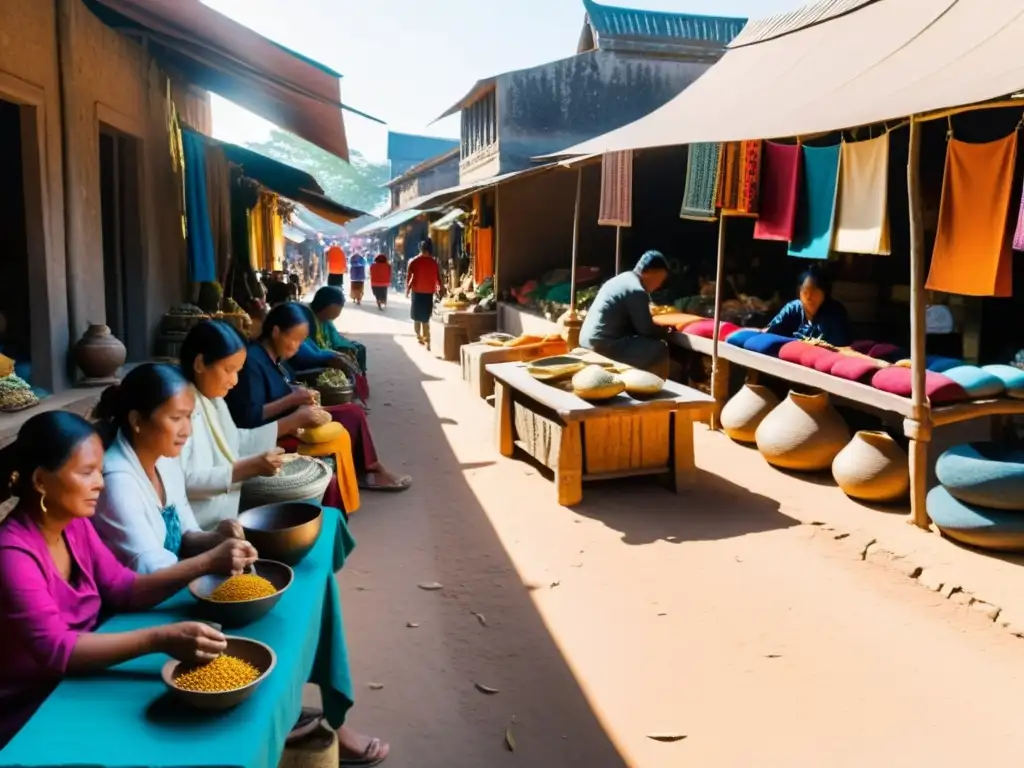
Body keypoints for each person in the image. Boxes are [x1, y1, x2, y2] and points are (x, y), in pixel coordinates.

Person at [0, 411, 249, 748]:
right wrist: (159, 638)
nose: (100, 483)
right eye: (87, 473)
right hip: (33, 705)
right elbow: (57, 650)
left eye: (99, 472)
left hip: (81, 678)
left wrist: (207, 562)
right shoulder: (12, 555)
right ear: (42, 481)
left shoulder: (73, 524)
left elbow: (125, 588)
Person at [90, 364, 260, 575]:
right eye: (176, 418)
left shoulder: (164, 460)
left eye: (189, 417)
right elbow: (149, 568)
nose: (187, 431)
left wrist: (218, 539)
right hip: (138, 600)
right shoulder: (116, 482)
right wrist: (212, 560)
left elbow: (186, 533)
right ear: (136, 421)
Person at [225, 303, 412, 492]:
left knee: (352, 412)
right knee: (351, 416)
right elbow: (249, 416)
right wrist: (293, 400)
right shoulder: (253, 362)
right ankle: (369, 472)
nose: (297, 347)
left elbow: (275, 388)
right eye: (294, 340)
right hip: (276, 430)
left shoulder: (275, 358)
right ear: (275, 332)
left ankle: (369, 469)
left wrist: (298, 393)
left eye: (301, 341)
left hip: (294, 415)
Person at [178, 321, 327, 530]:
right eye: (228, 370)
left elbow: (235, 439)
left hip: (224, 515)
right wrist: (243, 470)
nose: (235, 381)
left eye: (238, 371)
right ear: (200, 364)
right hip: (196, 527)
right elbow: (182, 480)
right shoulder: (179, 410)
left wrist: (287, 425)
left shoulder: (213, 399)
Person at [579, 250, 673, 378]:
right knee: (660, 347)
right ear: (648, 272)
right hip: (604, 345)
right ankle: (653, 387)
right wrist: (665, 332)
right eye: (659, 279)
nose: (659, 285)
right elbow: (645, 330)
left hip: (586, 340)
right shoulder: (637, 291)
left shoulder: (621, 279)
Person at [764, 265, 851, 347]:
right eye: (805, 292)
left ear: (825, 293)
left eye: (814, 292)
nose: (809, 297)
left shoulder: (835, 313)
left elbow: (839, 347)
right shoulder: (793, 308)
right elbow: (770, 333)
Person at [310, 286, 368, 375]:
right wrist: (332, 355)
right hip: (315, 356)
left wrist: (342, 350)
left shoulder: (325, 320)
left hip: (325, 349)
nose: (336, 315)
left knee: (358, 349)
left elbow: (333, 337)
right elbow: (311, 350)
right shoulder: (307, 320)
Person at [405, 239, 441, 346]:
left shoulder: (414, 261)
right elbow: (438, 277)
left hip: (417, 291)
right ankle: (426, 336)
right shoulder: (434, 262)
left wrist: (407, 289)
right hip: (429, 292)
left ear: (420, 249)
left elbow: (409, 277)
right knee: (426, 315)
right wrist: (441, 288)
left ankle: (419, 335)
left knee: (417, 315)